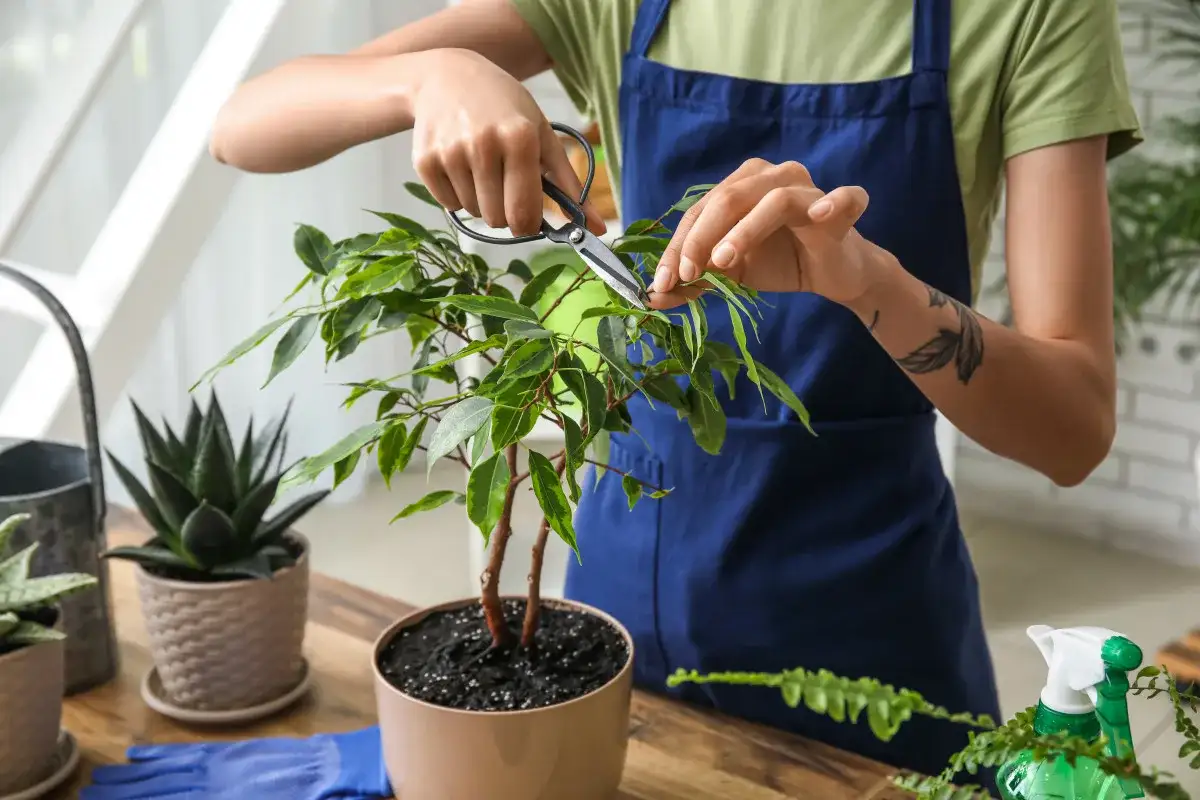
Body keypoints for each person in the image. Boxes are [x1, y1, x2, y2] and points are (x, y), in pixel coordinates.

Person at [209, 0, 1141, 781]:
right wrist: (430, 74)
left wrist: (870, 286)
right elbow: (245, 124)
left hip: (881, 631)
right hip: (624, 608)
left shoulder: (1032, 13)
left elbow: (1075, 428)